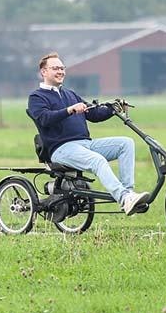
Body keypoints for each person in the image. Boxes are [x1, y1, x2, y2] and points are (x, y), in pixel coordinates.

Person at [27, 52, 149, 217]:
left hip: (85, 144)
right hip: (61, 149)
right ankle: (123, 197)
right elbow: (44, 119)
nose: (61, 71)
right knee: (97, 160)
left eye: (62, 68)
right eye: (55, 68)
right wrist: (69, 110)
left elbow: (93, 115)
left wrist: (113, 108)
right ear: (43, 72)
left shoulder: (70, 94)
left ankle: (128, 195)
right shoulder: (36, 97)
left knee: (126, 143)